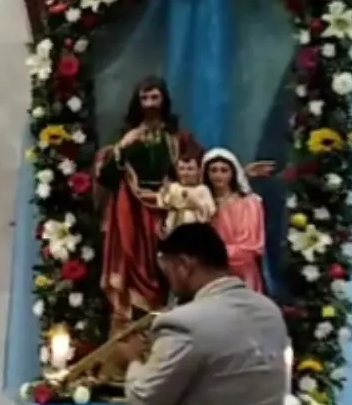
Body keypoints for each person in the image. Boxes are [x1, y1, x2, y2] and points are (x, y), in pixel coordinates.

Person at [118, 223, 288, 405]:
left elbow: (145, 404)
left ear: (185, 265)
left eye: (169, 271)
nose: (170, 283)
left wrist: (134, 361)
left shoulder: (184, 322)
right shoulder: (270, 312)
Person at [95, 77, 202, 332]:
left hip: (167, 210)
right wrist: (123, 147)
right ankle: (129, 329)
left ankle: (166, 320)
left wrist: (242, 172)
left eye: (155, 97)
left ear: (164, 100)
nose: (150, 104)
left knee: (165, 263)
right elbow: (105, 177)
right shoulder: (125, 137)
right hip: (130, 211)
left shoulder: (177, 139)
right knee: (131, 260)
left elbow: (203, 170)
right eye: (144, 98)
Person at [202, 147, 267, 293]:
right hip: (206, 274)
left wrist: (211, 255)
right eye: (213, 170)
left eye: (224, 170)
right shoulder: (200, 203)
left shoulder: (249, 203)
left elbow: (250, 246)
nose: (218, 175)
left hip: (240, 274)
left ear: (233, 173)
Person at [152, 153, 216, 236]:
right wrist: (164, 191)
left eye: (190, 169)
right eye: (181, 169)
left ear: (199, 170)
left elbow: (210, 211)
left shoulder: (203, 189)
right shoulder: (173, 187)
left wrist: (194, 202)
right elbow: (163, 205)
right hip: (172, 228)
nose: (185, 173)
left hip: (194, 230)